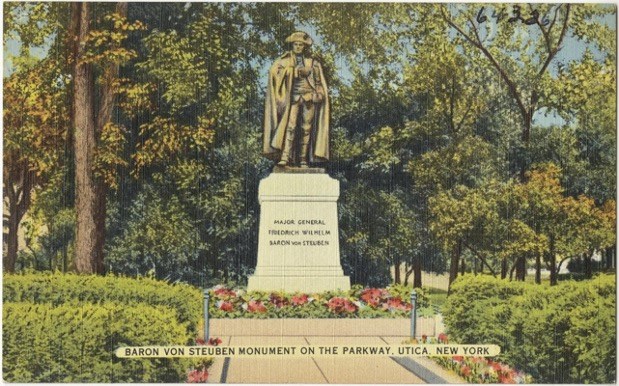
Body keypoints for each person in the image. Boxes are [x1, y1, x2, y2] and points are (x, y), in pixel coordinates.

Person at [263, 31, 330, 167]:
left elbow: (318, 82)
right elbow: (274, 73)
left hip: (309, 98)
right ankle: (285, 157)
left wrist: (319, 93)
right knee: (290, 126)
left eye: (301, 45)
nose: (298, 47)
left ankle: (303, 159)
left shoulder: (313, 63)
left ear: (304, 47)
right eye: (296, 44)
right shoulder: (284, 61)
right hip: (293, 98)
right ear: (292, 45)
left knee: (306, 128)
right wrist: (294, 71)